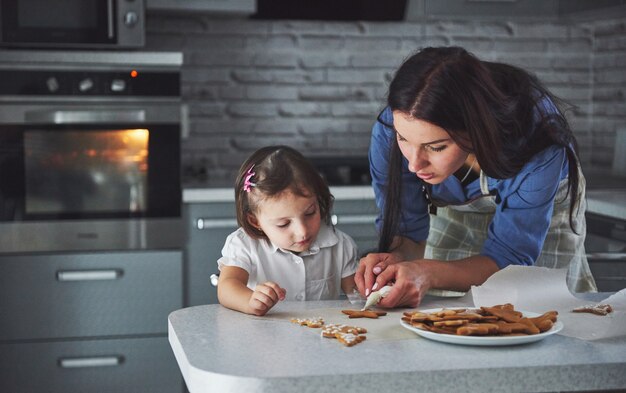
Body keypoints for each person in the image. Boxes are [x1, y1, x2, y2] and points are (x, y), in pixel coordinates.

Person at [355, 46, 597, 308]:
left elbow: (509, 259)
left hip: (539, 216)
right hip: (455, 213)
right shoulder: (389, 130)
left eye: (436, 147)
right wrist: (398, 260)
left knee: (537, 309)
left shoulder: (536, 140)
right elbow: (409, 236)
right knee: (442, 311)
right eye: (404, 139)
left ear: (475, 129)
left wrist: (428, 272)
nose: (414, 164)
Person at [217, 145, 358, 316]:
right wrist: (249, 300)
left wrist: (378, 290)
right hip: (263, 339)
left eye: (310, 213)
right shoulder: (243, 245)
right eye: (283, 224)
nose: (302, 231)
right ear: (255, 221)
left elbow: (358, 295)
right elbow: (227, 286)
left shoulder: (340, 245)